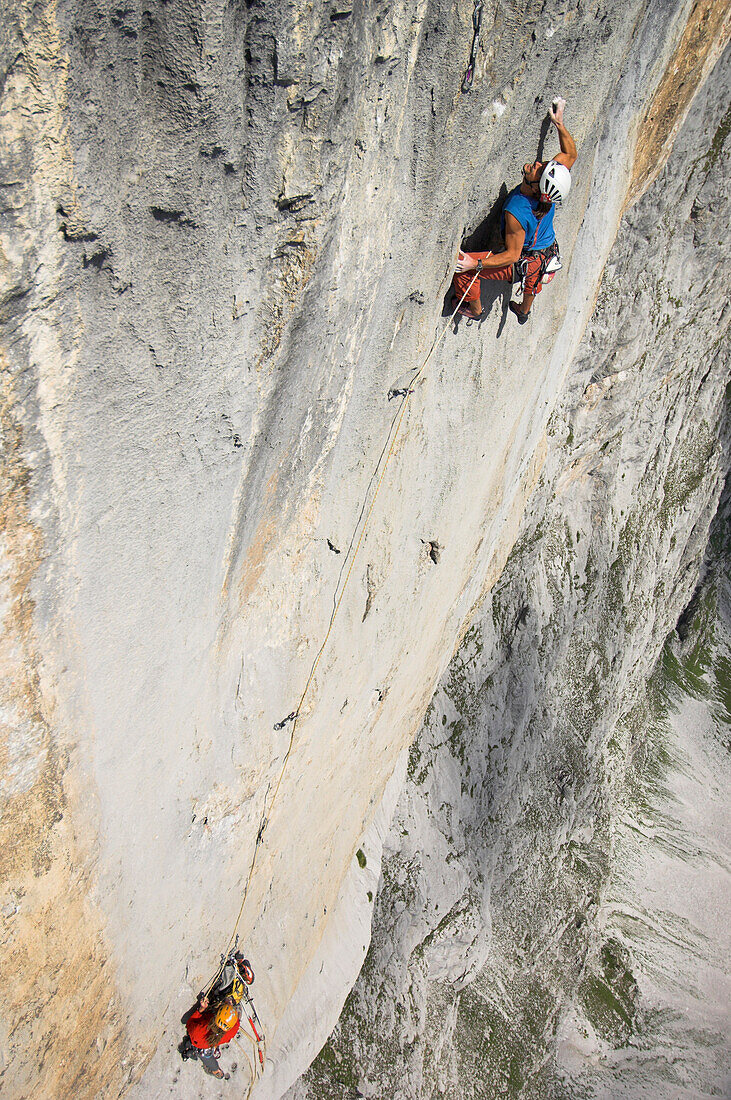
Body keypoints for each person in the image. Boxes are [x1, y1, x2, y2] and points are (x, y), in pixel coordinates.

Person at [452, 97, 577, 323]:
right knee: (535, 272)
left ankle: (476, 310)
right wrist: (559, 123)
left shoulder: (516, 211)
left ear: (537, 188)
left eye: (539, 171)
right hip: (545, 251)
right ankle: (523, 311)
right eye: (542, 165)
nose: (537, 164)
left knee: (464, 267)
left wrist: (475, 264)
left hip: (523, 259)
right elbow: (570, 155)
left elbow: (512, 255)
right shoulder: (551, 187)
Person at [181, 994, 241, 1080]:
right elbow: (236, 1021)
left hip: (198, 1042)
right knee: (206, 1054)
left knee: (205, 1054)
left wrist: (201, 1009)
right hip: (207, 1043)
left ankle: (215, 1069)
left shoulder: (199, 1030)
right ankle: (215, 1070)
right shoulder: (232, 1030)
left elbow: (190, 1023)